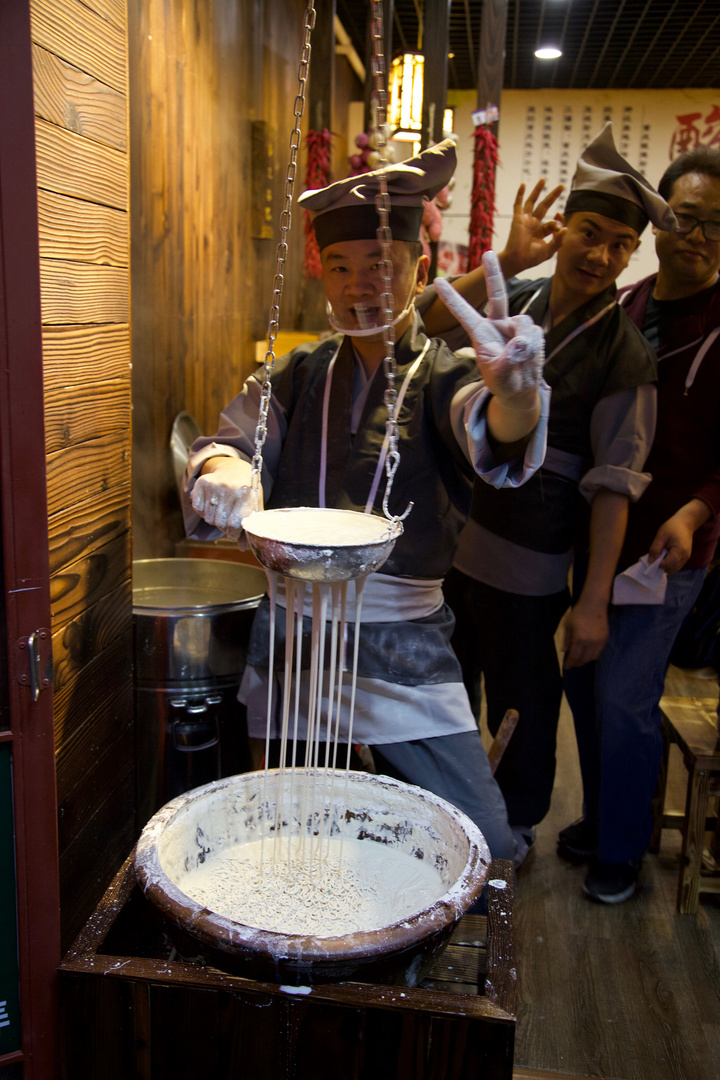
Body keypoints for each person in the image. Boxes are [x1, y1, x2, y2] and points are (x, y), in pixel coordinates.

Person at [181, 138, 551, 867]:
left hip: (403, 645)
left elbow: (493, 429)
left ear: (417, 268)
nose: (360, 286)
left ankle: (414, 956)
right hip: (293, 637)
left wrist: (516, 393)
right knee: (282, 829)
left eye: (380, 264)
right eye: (342, 267)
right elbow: (231, 438)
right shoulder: (296, 372)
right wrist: (223, 467)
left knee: (483, 838)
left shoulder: (445, 374)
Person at [420, 124, 675, 864]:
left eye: (620, 244)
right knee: (445, 688)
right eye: (590, 232)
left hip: (531, 567)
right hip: (452, 542)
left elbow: (612, 489)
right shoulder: (516, 294)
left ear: (634, 254)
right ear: (564, 227)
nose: (600, 255)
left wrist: (592, 600)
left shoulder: (627, 354)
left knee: (523, 699)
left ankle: (520, 822)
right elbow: (429, 322)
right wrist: (503, 257)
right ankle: (442, 810)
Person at [558, 145, 720, 903]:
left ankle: (620, 851)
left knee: (625, 694)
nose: (699, 237)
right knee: (584, 683)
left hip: (671, 547)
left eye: (717, 226)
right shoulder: (623, 306)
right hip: (598, 534)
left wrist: (694, 512)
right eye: (686, 218)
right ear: (659, 220)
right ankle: (602, 817)